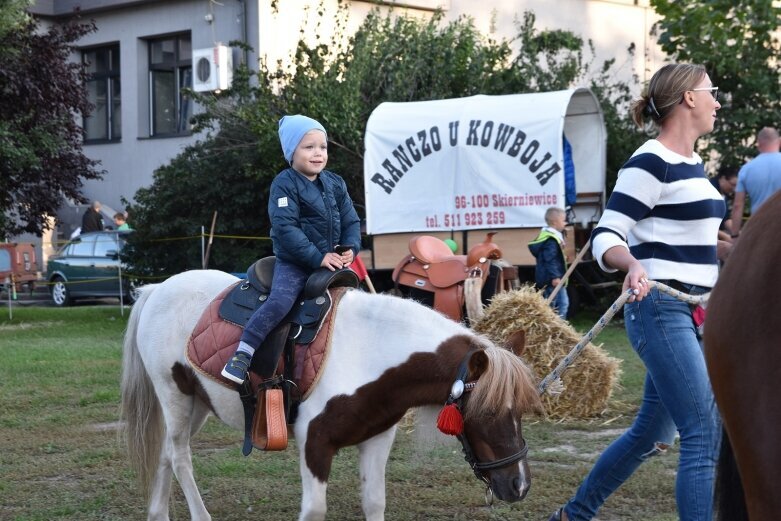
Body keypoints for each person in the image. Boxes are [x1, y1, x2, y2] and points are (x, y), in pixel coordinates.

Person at [548, 64, 726, 521]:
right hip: (662, 309)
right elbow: (608, 234)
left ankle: (573, 515)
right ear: (688, 98)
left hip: (697, 313)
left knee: (651, 433)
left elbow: (690, 236)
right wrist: (629, 263)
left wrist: (734, 247)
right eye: (712, 93)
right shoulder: (651, 161)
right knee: (703, 431)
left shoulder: (693, 165)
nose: (717, 101)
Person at [221, 115, 361, 385]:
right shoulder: (284, 184)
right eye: (308, 147)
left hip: (331, 263)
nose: (318, 153)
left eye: (322, 146)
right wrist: (317, 256)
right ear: (291, 152)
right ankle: (242, 354)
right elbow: (286, 229)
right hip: (296, 263)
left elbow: (351, 220)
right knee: (280, 302)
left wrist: (351, 248)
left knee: (356, 303)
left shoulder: (335, 184)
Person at [729, 126, 781, 238]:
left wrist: (734, 235)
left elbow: (738, 205)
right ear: (779, 141)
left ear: (758, 144)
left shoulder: (747, 169)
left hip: (759, 228)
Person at [528, 207, 569, 319]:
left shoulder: (550, 236)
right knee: (561, 305)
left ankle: (555, 331)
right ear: (555, 222)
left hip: (549, 278)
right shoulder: (550, 240)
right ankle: (558, 331)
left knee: (553, 306)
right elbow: (550, 260)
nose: (565, 223)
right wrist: (555, 276)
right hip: (552, 279)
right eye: (563, 220)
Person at [709, 165, 738, 241]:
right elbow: (706, 224)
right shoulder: (709, 191)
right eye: (733, 185)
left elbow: (726, 219)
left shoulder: (724, 194)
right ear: (722, 178)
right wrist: (726, 237)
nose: (734, 189)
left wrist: (737, 233)